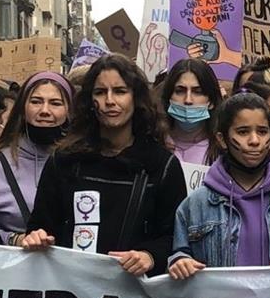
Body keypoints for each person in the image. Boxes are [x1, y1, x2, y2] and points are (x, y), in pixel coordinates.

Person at [21, 55, 186, 276]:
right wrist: (36, 237)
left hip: (134, 297)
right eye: (100, 92)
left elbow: (174, 236)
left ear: (136, 98)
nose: (109, 100)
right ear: (90, 100)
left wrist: (149, 256)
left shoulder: (162, 166)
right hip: (71, 293)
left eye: (119, 91)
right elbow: (40, 224)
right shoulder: (63, 160)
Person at [168, 92, 270, 279]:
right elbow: (179, 254)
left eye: (262, 131)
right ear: (221, 139)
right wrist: (180, 262)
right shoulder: (195, 205)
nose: (254, 141)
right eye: (242, 132)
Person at [0, 71, 71, 242]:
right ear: (23, 109)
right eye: (36, 102)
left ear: (70, 111)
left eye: (55, 103)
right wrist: (14, 239)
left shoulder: (81, 163)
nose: (45, 110)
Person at [161, 58, 226, 168]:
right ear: (168, 97)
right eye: (180, 91)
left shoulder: (224, 151)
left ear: (211, 102)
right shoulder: (153, 142)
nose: (188, 100)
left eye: (198, 92)